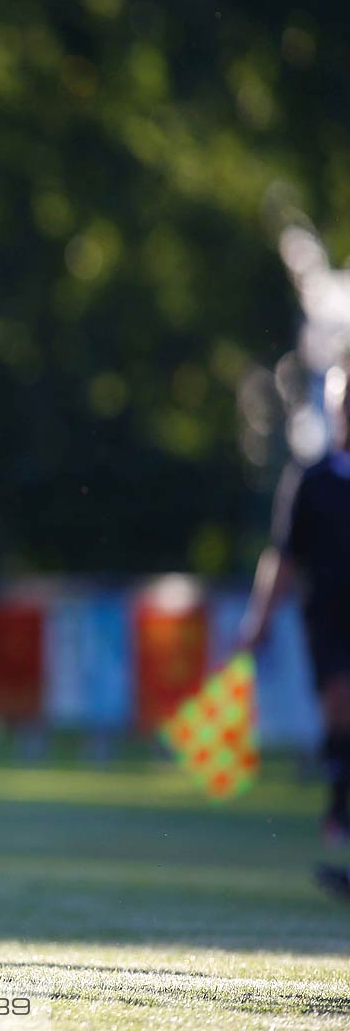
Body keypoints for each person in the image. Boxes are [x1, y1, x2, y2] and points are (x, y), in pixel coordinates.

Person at [240, 360, 350, 896]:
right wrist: (259, 620)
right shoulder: (313, 480)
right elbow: (284, 556)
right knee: (341, 705)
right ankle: (339, 809)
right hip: (329, 621)